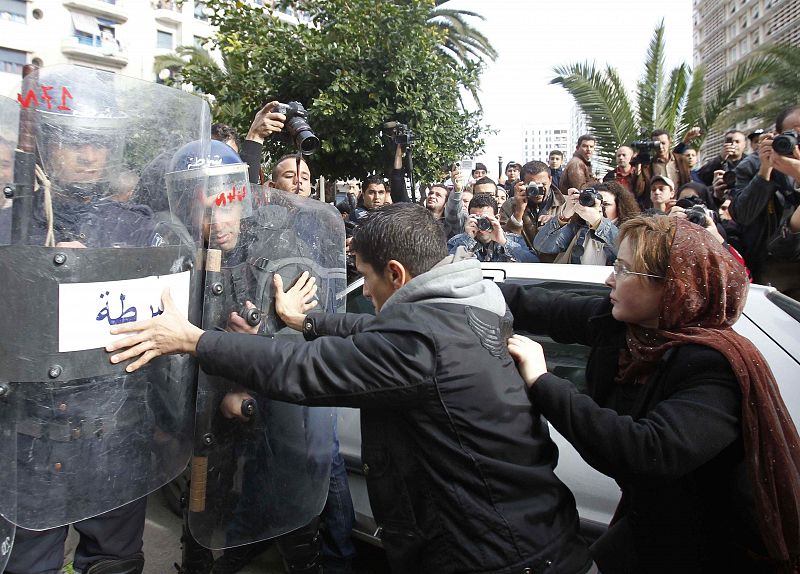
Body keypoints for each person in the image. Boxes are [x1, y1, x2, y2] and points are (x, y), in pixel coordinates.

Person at [107, 203, 596, 574]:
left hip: (499, 557)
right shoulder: (467, 307)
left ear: (397, 274)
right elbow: (373, 336)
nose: (364, 290)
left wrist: (195, 341)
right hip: (529, 539)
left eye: (364, 277)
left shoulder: (421, 343)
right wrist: (309, 320)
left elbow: (303, 369)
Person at [502, 215, 800, 573]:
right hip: (655, 519)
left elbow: (645, 452)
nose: (611, 278)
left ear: (672, 287)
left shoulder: (714, 364)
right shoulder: (626, 327)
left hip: (711, 545)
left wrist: (541, 380)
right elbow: (540, 306)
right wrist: (460, 283)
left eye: (625, 270)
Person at [730, 105, 800, 299]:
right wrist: (765, 171)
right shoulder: (752, 165)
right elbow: (742, 215)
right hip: (769, 270)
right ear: (776, 134)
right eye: (793, 132)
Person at [533, 184, 619, 266]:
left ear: (618, 207)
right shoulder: (578, 227)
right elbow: (541, 245)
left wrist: (598, 222)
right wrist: (565, 215)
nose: (599, 207)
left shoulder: (626, 229)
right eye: (593, 202)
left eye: (605, 204)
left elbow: (626, 250)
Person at [499, 160, 565, 260]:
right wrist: (518, 211)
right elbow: (504, 240)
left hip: (558, 265)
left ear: (550, 180)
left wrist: (557, 222)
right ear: (521, 184)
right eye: (533, 186)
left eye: (543, 185)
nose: (539, 191)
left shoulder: (566, 204)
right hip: (525, 265)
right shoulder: (510, 205)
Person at [447, 193, 538, 262]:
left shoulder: (514, 240)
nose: (481, 224)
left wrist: (504, 242)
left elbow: (533, 262)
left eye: (486, 219)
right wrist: (467, 240)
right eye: (477, 219)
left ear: (497, 218)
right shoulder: (456, 241)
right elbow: (446, 267)